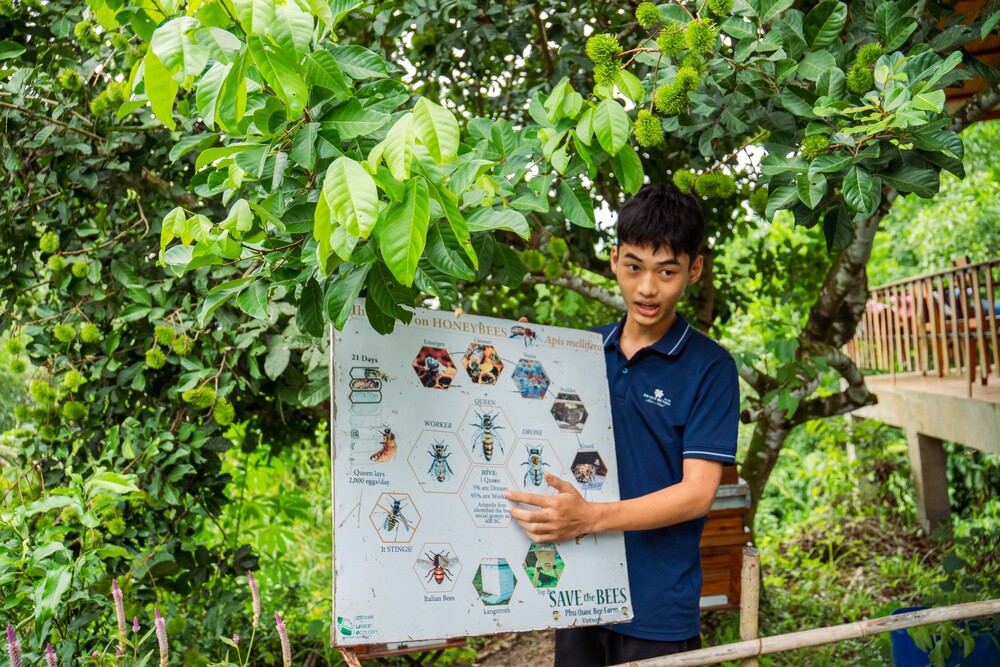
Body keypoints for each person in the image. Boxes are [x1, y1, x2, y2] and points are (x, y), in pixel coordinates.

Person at [506, 183, 740, 666]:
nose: (648, 288)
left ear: (695, 270)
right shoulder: (580, 351)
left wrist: (590, 517)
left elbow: (697, 494)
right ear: (614, 260)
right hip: (579, 593)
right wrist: (510, 352)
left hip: (657, 607)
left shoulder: (710, 368)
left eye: (667, 271)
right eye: (634, 267)